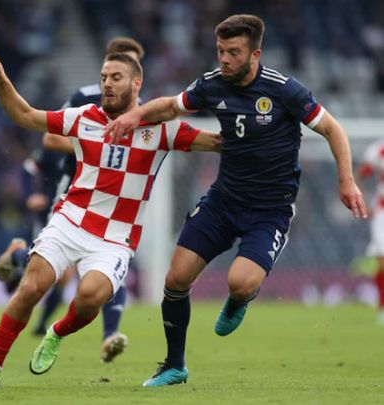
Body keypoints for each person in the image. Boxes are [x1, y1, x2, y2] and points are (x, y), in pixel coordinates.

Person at [104, 14, 367, 387]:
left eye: (233, 52)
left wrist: (347, 181)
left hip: (270, 210)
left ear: (255, 54)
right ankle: (174, 366)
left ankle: (241, 298)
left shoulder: (285, 90)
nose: (225, 59)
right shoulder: (212, 84)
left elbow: (332, 129)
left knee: (239, 283)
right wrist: (134, 117)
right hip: (223, 201)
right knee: (176, 278)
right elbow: (170, 106)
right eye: (221, 51)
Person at [0, 51, 221, 388]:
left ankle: (56, 332)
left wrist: (260, 130)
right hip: (71, 220)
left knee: (90, 298)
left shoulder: (162, 128)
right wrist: (0, 80)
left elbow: (217, 143)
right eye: (104, 77)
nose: (107, 84)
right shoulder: (84, 117)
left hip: (116, 238)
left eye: (116, 77)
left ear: (136, 83)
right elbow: (25, 115)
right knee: (30, 286)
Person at [0, 37, 146, 364]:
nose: (114, 80)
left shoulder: (143, 112)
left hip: (116, 208)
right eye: (111, 71)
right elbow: (49, 138)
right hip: (74, 190)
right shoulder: (85, 99)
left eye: (130, 66)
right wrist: (98, 146)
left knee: (105, 274)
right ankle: (19, 256)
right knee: (55, 274)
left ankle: (107, 335)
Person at [356, 138, 384, 325]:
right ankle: (383, 307)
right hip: (382, 212)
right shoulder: (379, 150)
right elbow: (361, 174)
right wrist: (363, 200)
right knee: (382, 260)